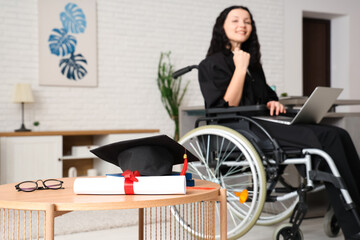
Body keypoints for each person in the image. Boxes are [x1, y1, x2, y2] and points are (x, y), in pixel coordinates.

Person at [198, 5, 360, 239]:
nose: (242, 25)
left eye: (247, 21)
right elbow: (227, 106)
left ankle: (352, 204)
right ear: (221, 27)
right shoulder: (211, 64)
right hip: (240, 128)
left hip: (263, 122)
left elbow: (266, 98)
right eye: (235, 20)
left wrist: (275, 103)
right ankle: (352, 224)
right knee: (323, 139)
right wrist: (240, 68)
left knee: (338, 134)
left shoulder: (254, 64)